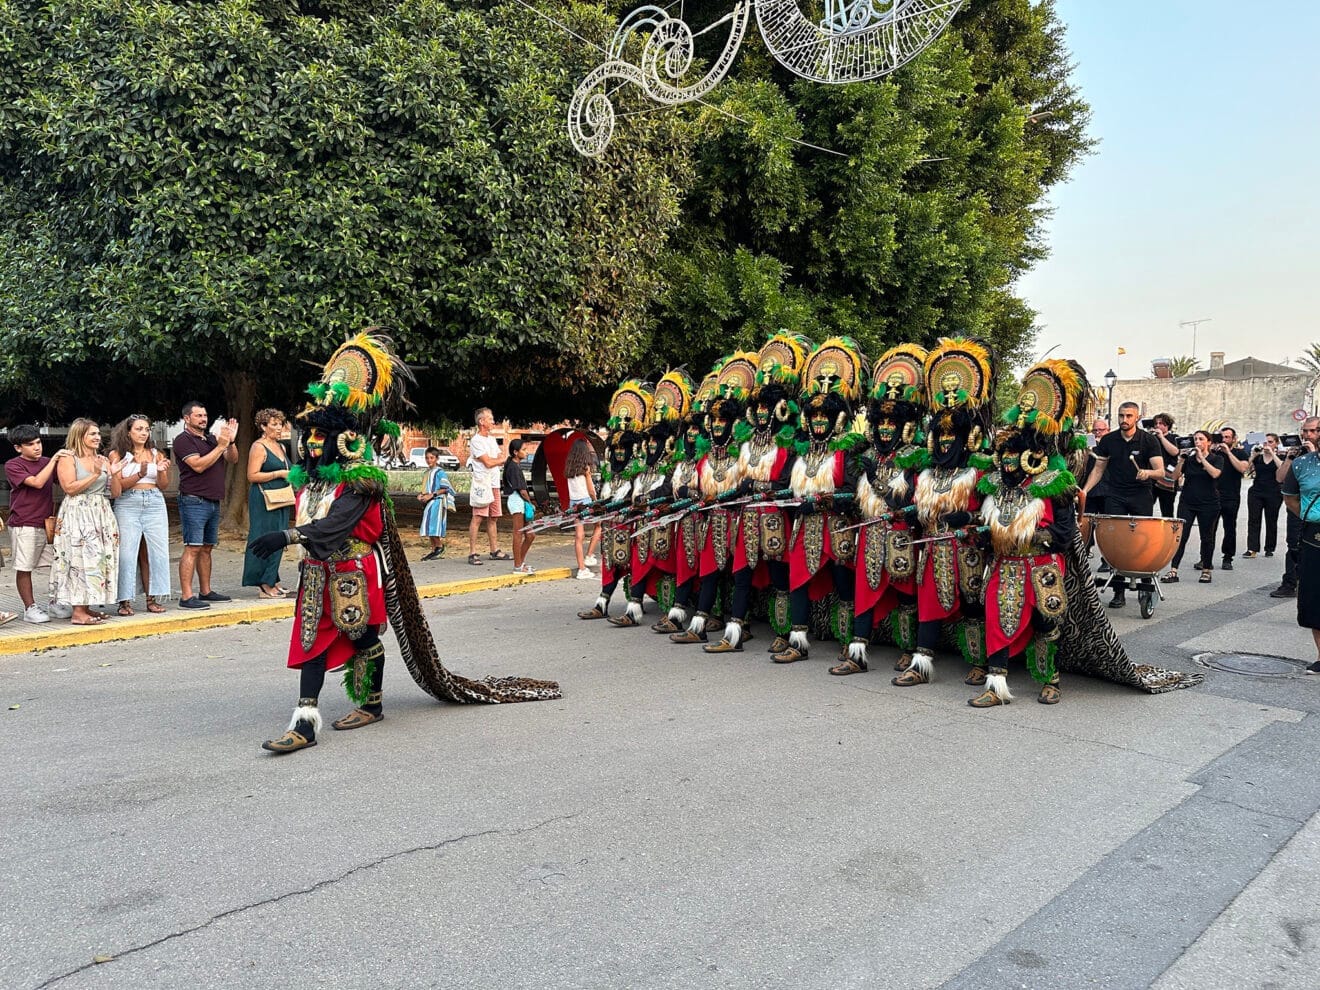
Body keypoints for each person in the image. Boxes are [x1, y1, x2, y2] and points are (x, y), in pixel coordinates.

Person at [250, 331, 561, 754]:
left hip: (352, 573)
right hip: (315, 573)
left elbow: (337, 527)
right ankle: (305, 721)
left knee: (360, 637)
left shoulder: (361, 482)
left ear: (342, 440)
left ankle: (372, 704)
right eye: (310, 436)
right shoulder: (312, 483)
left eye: (320, 436)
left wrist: (287, 535)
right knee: (310, 643)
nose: (311, 442)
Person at [1080, 401, 1165, 608]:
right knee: (1117, 543)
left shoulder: (1149, 440)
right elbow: (1098, 470)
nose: (1124, 420)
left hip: (1140, 495)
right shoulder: (1109, 440)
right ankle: (1119, 592)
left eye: (1128, 416)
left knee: (1142, 542)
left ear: (1136, 417)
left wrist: (1148, 473)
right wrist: (1085, 490)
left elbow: (1161, 472)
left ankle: (1145, 586)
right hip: (1115, 495)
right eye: (1121, 416)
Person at [50, 418, 120, 625]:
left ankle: (87, 606)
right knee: (78, 559)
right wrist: (96, 474)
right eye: (92, 434)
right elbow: (69, 488)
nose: (98, 437)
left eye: (98, 433)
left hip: (101, 512)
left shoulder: (103, 458)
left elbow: (115, 492)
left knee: (98, 559)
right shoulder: (68, 458)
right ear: (79, 436)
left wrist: (113, 475)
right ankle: (78, 611)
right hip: (78, 512)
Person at [173, 401, 239, 609]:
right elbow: (198, 466)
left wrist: (230, 442)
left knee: (207, 548)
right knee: (193, 547)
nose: (203, 419)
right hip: (194, 499)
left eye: (205, 415)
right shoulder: (183, 440)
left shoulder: (211, 439)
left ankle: (206, 591)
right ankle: (186, 596)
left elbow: (233, 459)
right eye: (198, 415)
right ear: (187, 418)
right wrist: (220, 446)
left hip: (212, 500)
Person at [4, 426, 73, 624]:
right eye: (30, 444)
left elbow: (66, 482)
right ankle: (30, 608)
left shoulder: (46, 462)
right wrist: (53, 461)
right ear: (18, 448)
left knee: (56, 564)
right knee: (24, 567)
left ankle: (55, 602)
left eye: (38, 442)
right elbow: (36, 482)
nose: (36, 447)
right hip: (24, 523)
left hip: (47, 523)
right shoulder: (13, 465)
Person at [108, 415, 172, 614]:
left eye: (147, 429)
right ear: (128, 432)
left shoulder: (155, 453)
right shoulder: (117, 455)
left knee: (155, 552)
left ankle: (152, 598)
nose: (144, 433)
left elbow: (163, 485)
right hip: (128, 502)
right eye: (139, 429)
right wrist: (140, 473)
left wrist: (160, 471)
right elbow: (118, 488)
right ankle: (124, 600)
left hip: (154, 501)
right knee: (127, 553)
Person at [1280, 417, 1320, 673]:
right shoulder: (1303, 464)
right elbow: (1290, 498)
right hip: (1313, 535)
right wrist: (1311, 514)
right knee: (1315, 597)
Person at [1161, 431, 1224, 585]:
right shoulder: (1188, 460)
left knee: (1207, 537)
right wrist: (1181, 460)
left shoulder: (1217, 459)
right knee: (1181, 537)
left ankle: (1206, 570)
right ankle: (1174, 570)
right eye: (1195, 439)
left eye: (1201, 439)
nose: (1197, 442)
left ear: (1208, 442)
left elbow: (1215, 474)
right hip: (1187, 502)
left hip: (1209, 503)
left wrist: (1202, 459)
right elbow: (1173, 477)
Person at [242, 408, 293, 598]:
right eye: (274, 424)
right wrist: (278, 474)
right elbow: (252, 475)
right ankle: (263, 583)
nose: (279, 428)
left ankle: (273, 579)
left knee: (280, 539)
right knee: (264, 537)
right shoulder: (258, 447)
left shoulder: (281, 446)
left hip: (281, 497)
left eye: (280, 424)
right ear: (263, 426)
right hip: (264, 499)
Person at [466, 407, 509, 565]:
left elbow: (497, 457)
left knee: (493, 517)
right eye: (490, 418)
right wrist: (499, 460)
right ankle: (472, 552)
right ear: (481, 421)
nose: (493, 421)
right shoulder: (476, 441)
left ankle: (494, 549)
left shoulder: (491, 440)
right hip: (482, 484)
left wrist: (496, 460)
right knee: (478, 517)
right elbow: (490, 462)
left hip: (494, 483)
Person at [564, 438, 601, 579]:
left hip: (574, 503)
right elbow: (591, 490)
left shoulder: (569, 468)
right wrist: (596, 501)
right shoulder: (586, 468)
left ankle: (581, 568)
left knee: (579, 536)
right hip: (586, 502)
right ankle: (589, 555)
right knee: (599, 526)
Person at [1212, 427, 1248, 570]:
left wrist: (1228, 452)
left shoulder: (1240, 452)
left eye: (1227, 437)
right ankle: (1205, 558)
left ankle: (1228, 557)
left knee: (1229, 528)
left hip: (1231, 496)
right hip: (1213, 495)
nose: (1224, 440)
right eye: (1222, 437)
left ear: (1234, 439)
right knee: (1209, 528)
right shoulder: (1213, 453)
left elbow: (1242, 468)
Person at [1245, 433, 1284, 559]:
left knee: (1271, 520)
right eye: (1265, 442)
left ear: (1276, 443)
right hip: (1257, 491)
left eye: (1271, 442)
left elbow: (1282, 468)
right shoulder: (1258, 458)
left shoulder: (1280, 457)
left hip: (1274, 492)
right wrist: (1253, 455)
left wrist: (1272, 453)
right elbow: (1245, 469)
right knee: (1253, 520)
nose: (1267, 445)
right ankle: (1252, 548)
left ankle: (1269, 548)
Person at [503, 438, 536, 573]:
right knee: (518, 534)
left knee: (530, 535)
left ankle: (520, 563)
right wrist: (529, 502)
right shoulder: (513, 467)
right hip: (517, 501)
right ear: (516, 452)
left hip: (519, 501)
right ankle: (518, 566)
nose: (526, 452)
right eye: (524, 450)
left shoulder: (515, 465)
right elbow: (522, 490)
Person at [418, 446, 455, 561]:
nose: (429, 460)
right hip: (429, 502)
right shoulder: (426, 473)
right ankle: (434, 548)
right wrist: (421, 495)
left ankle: (438, 546)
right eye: (427, 458)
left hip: (437, 501)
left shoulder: (440, 472)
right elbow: (425, 488)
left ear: (436, 458)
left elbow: (445, 488)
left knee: (434, 525)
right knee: (429, 525)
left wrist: (432, 495)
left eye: (431, 458)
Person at [1150, 413, 1180, 517]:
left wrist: (1162, 437)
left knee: (1167, 509)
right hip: (1153, 477)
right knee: (1147, 506)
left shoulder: (1174, 437)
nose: (1157, 426)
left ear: (1167, 426)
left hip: (1168, 476)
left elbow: (1175, 452)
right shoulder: (1151, 438)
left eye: (1161, 423)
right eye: (1156, 423)